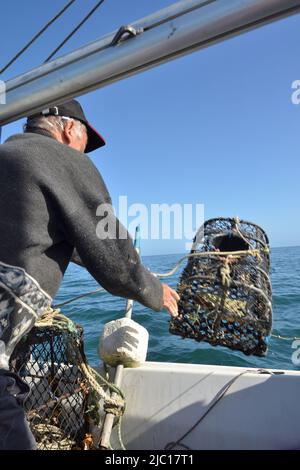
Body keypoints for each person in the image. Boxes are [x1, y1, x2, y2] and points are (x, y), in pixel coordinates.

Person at [0, 99, 179, 450]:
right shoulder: (62, 159)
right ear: (69, 130)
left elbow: (66, 238)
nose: (86, 153)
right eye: (85, 142)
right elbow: (113, 259)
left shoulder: (10, 159)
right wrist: (154, 291)